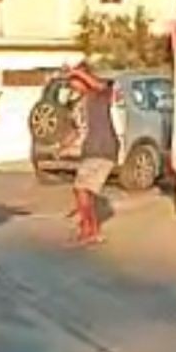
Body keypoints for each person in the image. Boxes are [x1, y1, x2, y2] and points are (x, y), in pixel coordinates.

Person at [66, 63, 118, 246]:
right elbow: (77, 129)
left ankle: (90, 231)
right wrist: (64, 146)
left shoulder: (99, 96)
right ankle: (90, 230)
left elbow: (101, 86)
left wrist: (78, 72)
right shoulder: (80, 104)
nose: (73, 87)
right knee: (84, 191)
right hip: (90, 150)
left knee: (81, 189)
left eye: (75, 83)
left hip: (103, 149)